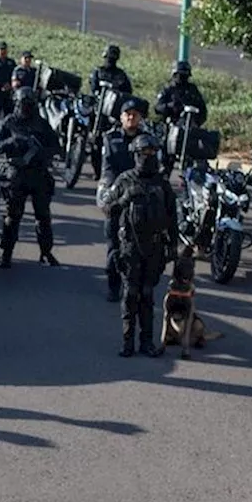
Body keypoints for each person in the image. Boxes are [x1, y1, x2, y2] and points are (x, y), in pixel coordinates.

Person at [103, 136, 177, 357]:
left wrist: (173, 246)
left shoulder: (162, 184)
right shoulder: (124, 179)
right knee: (130, 293)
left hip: (154, 246)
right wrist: (124, 199)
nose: (148, 157)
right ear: (135, 154)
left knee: (147, 294)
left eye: (152, 153)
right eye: (144, 153)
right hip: (130, 247)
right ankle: (127, 342)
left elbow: (172, 218)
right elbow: (107, 208)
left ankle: (146, 342)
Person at [0, 86, 61, 267]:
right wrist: (12, 142)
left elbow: (56, 147)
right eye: (23, 104)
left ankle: (46, 252)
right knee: (12, 217)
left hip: (38, 174)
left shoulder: (41, 123)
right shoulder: (9, 122)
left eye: (29, 104)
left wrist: (42, 153)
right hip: (17, 175)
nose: (26, 108)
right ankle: (6, 253)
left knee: (43, 217)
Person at [99, 102, 152, 302]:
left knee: (142, 246)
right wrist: (111, 195)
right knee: (114, 245)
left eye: (135, 115)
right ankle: (114, 286)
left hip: (141, 198)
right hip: (119, 195)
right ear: (121, 117)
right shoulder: (110, 139)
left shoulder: (148, 141)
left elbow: (156, 169)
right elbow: (108, 170)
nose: (131, 118)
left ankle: (138, 286)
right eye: (127, 115)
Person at [154, 60, 208, 129]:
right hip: (171, 126)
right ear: (174, 75)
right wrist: (171, 106)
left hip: (190, 126)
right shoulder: (168, 89)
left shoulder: (192, 89)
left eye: (185, 75)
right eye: (180, 75)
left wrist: (196, 120)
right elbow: (157, 108)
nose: (182, 78)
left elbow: (202, 110)